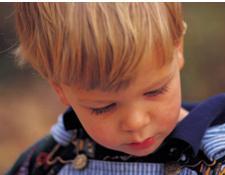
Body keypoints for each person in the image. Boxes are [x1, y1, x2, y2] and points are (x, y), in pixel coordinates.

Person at [6, 2, 225, 175]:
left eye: (154, 91)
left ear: (178, 50)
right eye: (103, 107)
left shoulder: (216, 159)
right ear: (59, 89)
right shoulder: (52, 159)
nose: (135, 122)